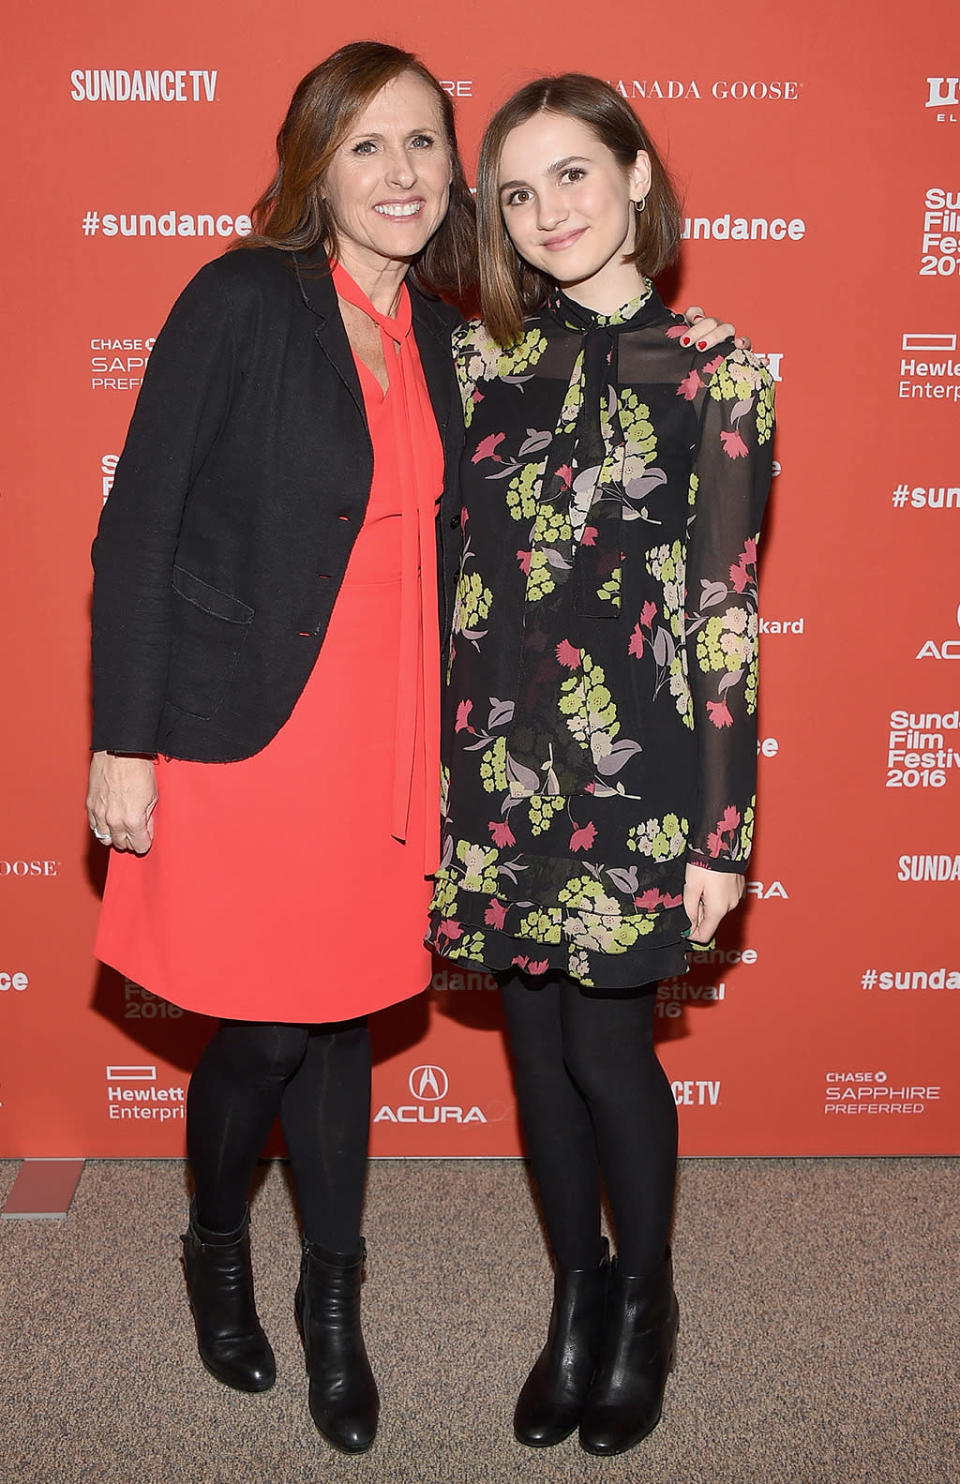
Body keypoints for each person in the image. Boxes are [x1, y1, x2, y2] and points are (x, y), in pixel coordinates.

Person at [86, 41, 740, 1454]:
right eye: (367, 145)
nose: (400, 173)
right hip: (254, 731)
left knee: (337, 1022)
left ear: (452, 177)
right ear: (315, 163)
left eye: (423, 146)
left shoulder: (457, 340)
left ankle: (335, 1313)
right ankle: (212, 1251)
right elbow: (139, 525)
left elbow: (656, 563)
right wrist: (121, 740)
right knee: (262, 1029)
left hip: (400, 742)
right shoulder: (243, 298)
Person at [425, 74, 774, 1457]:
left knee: (610, 1050)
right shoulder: (476, 361)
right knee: (532, 1045)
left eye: (572, 174)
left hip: (639, 771)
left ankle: (646, 1308)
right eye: (516, 191)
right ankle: (571, 1305)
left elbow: (725, 610)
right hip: (496, 770)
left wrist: (723, 830)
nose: (545, 212)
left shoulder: (721, 369)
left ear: (635, 174)